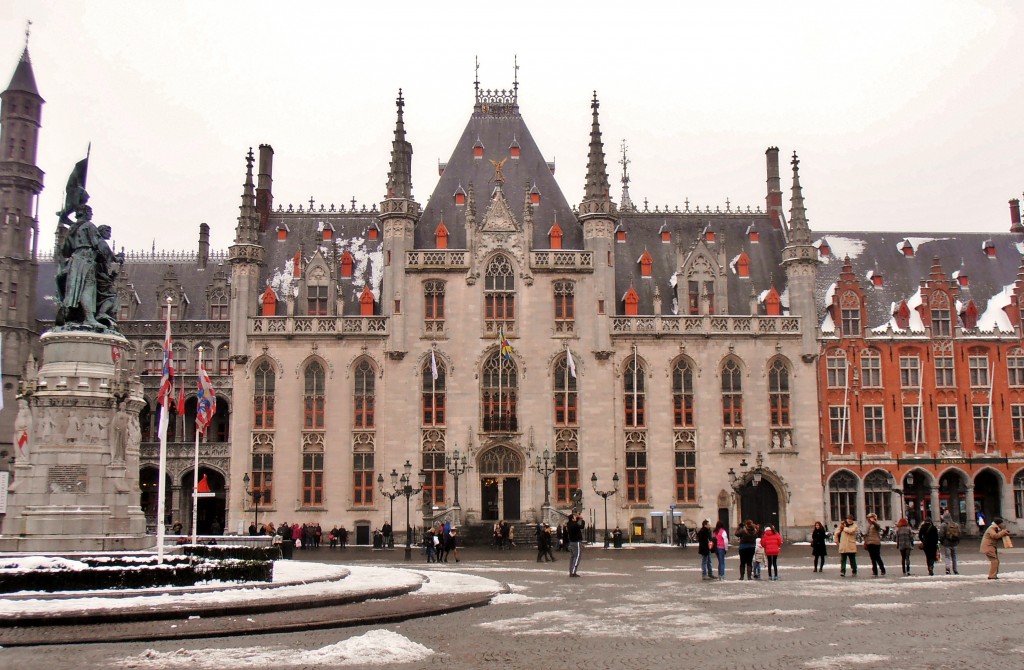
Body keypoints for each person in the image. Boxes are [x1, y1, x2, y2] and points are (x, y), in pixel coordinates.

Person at [864, 512, 886, 577]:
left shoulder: (876, 524)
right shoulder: (868, 526)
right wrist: (865, 543)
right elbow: (866, 535)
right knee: (872, 558)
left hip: (876, 543)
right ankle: (875, 571)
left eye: (870, 518)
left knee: (877, 557)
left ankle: (882, 569)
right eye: (868, 519)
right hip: (870, 543)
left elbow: (878, 527)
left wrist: (873, 522)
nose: (869, 520)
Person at [939, 510, 960, 575]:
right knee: (954, 557)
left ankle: (947, 569)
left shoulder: (943, 525)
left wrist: (942, 541)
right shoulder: (955, 524)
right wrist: (957, 541)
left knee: (947, 556)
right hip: (955, 543)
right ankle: (955, 570)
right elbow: (959, 533)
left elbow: (941, 534)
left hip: (947, 543)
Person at [567, 512, 585, 577]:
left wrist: (577, 517)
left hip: (571, 542)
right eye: (574, 517)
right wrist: (582, 520)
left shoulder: (569, 524)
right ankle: (573, 572)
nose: (575, 517)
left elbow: (575, 523)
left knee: (572, 557)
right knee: (577, 557)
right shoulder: (574, 525)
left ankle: (571, 571)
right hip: (576, 542)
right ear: (572, 519)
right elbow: (581, 526)